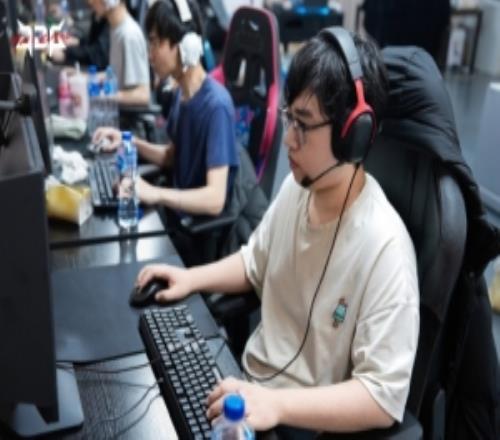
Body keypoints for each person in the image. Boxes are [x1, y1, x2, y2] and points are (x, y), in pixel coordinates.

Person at [134, 28, 420, 434]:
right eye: (289, 117)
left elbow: (380, 397)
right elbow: (254, 261)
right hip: (250, 394)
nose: (287, 139)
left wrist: (277, 405)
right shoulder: (297, 189)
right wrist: (190, 277)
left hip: (303, 425)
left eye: (303, 125)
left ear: (352, 134)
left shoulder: (385, 248)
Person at [92, 0, 239, 222]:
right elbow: (172, 157)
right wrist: (128, 141)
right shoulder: (182, 94)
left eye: (155, 43)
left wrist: (155, 193)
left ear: (185, 45)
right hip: (175, 213)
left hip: (193, 229)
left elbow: (215, 199)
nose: (149, 55)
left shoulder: (216, 105)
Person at [82, 0, 150, 105]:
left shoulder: (129, 35)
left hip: (125, 114)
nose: (90, 2)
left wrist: (102, 96)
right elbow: (116, 75)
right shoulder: (116, 29)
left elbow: (143, 95)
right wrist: (86, 78)